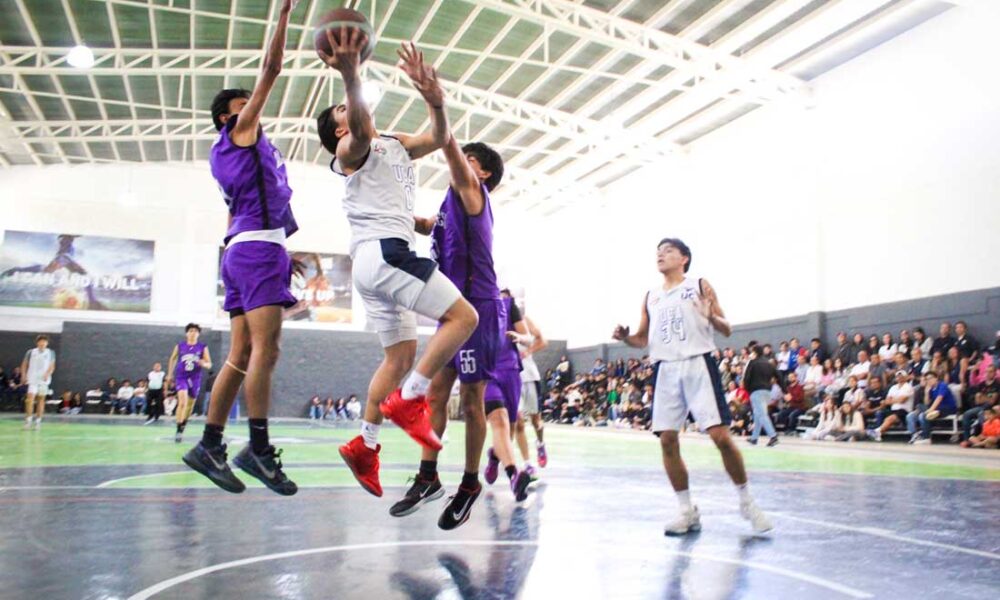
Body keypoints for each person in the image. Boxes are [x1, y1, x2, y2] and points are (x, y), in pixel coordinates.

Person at [316, 36, 480, 509]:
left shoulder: (393, 143)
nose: (351, 111)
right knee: (464, 319)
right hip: (385, 254)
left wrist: (436, 101)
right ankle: (411, 398)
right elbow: (360, 132)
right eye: (342, 112)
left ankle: (364, 444)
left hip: (372, 263)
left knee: (400, 354)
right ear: (337, 133)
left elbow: (437, 137)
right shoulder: (350, 151)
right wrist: (350, 73)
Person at [180, 0, 301, 497]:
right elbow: (273, 67)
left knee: (240, 353)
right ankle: (258, 447)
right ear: (228, 117)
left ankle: (209, 442)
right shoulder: (241, 134)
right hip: (255, 252)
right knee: (266, 351)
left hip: (239, 250)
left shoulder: (225, 156)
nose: (255, 109)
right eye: (244, 105)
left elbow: (236, 214)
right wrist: (285, 15)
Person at [612, 237, 771, 536]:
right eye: (657, 251)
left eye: (668, 251)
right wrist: (625, 337)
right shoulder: (651, 295)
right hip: (665, 368)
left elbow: (726, 328)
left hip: (698, 363)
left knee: (721, 437)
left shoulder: (698, 284)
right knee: (667, 440)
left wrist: (710, 314)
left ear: (684, 258)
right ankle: (687, 511)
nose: (660, 255)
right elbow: (642, 340)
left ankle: (747, 502)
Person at [476, 290, 533, 502]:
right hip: (487, 372)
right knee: (498, 421)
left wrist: (520, 337)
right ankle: (514, 476)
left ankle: (494, 456)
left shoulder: (510, 306)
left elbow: (528, 338)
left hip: (510, 371)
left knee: (506, 433)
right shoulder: (474, 305)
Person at [512, 303, 548, 472]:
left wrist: (528, 351)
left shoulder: (525, 321)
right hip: (512, 378)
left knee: (536, 420)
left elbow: (543, 341)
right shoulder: (498, 320)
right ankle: (527, 463)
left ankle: (540, 443)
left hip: (530, 376)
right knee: (518, 421)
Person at [167, 324, 212, 443]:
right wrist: (170, 374)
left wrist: (204, 364)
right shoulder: (180, 345)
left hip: (195, 378)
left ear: (198, 334)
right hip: (181, 376)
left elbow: (209, 364)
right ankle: (178, 429)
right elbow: (172, 358)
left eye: (195, 331)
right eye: (190, 331)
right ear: (186, 333)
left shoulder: (202, 347)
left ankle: (183, 425)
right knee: (182, 402)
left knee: (190, 405)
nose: (193, 333)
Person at [741, 344, 779, 447]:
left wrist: (747, 389)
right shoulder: (768, 363)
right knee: (757, 414)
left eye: (752, 352)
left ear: (755, 352)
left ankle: (773, 436)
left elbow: (747, 378)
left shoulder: (752, 363)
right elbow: (778, 375)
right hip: (767, 391)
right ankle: (754, 438)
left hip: (756, 391)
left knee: (762, 415)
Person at [908, 372, 956, 445]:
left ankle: (927, 438)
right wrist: (927, 392)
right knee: (917, 408)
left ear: (936, 378)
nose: (929, 381)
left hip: (948, 408)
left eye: (930, 378)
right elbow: (926, 403)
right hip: (937, 408)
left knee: (923, 415)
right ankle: (916, 435)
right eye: (927, 379)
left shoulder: (942, 385)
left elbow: (939, 398)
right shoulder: (931, 388)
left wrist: (930, 410)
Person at [21, 335, 56, 430]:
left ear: (47, 343)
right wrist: (23, 375)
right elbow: (24, 365)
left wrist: (47, 374)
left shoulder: (51, 353)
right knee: (30, 400)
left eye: (44, 341)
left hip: (43, 381)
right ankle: (28, 421)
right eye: (41, 341)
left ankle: (38, 422)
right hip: (32, 379)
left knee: (41, 400)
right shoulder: (30, 352)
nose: (42, 343)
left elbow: (52, 366)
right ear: (37, 343)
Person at [868, 370, 914, 441]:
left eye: (901, 376)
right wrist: (896, 400)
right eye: (898, 376)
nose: (899, 378)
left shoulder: (908, 387)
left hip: (904, 410)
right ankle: (878, 433)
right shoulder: (893, 387)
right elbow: (886, 401)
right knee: (880, 413)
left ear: (906, 377)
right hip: (893, 410)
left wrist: (893, 400)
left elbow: (902, 400)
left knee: (890, 418)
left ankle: (878, 431)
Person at [960, 365, 998, 444]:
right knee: (966, 414)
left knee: (982, 413)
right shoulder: (981, 385)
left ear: (995, 373)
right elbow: (977, 401)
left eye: (990, 371)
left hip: (991, 408)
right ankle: (967, 439)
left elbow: (992, 401)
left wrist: (983, 397)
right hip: (980, 407)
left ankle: (983, 439)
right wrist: (986, 397)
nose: (988, 373)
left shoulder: (997, 384)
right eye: (987, 371)